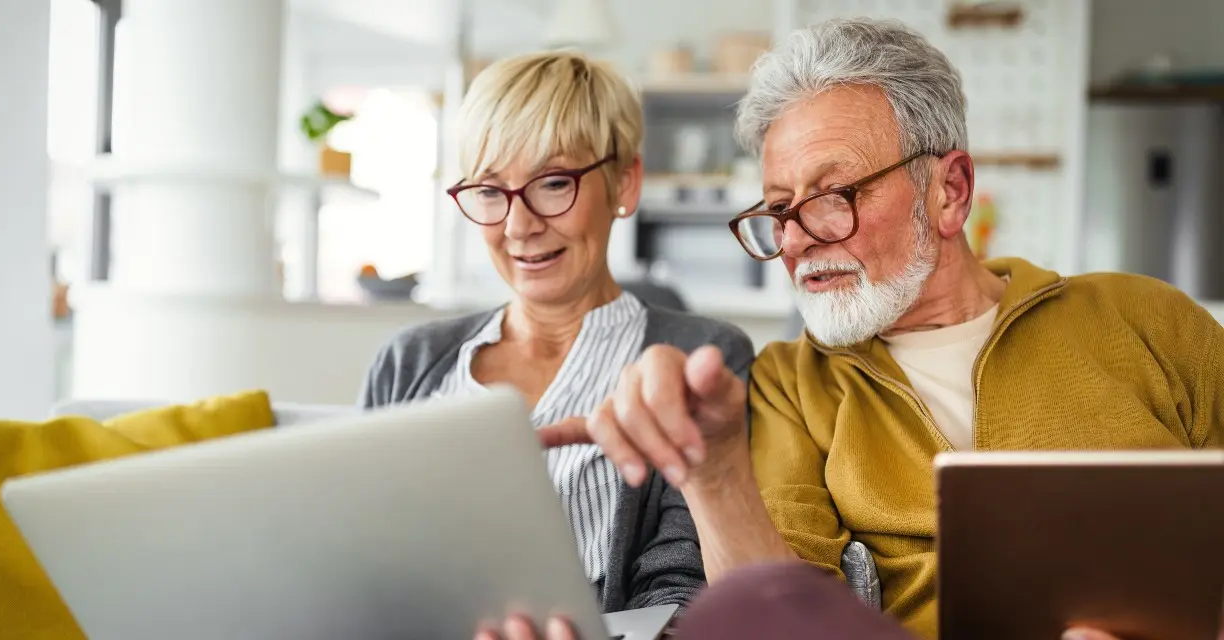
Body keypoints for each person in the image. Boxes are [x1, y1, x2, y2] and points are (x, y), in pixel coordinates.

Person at [488, 17, 1224, 640]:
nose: (798, 238)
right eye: (779, 209)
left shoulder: (1147, 320)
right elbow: (771, 617)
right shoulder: (788, 385)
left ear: (950, 191)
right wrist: (712, 472)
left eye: (832, 195)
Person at [359, 51, 754, 615]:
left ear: (624, 182)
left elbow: (681, 595)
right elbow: (356, 558)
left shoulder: (701, 360)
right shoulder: (408, 361)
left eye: (552, 183)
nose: (518, 226)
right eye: (491, 192)